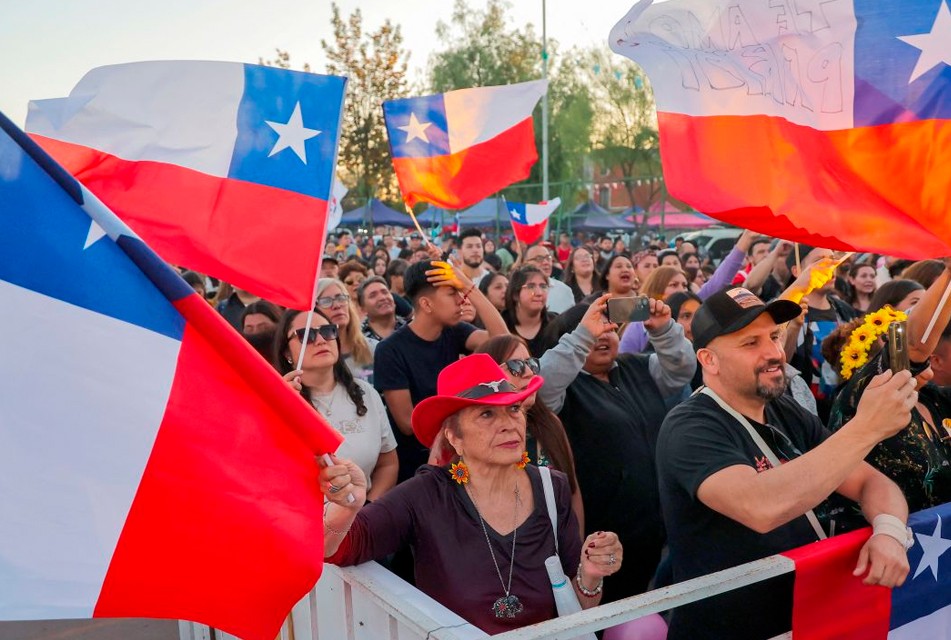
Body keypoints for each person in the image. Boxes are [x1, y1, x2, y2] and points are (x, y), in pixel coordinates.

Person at [657, 287, 913, 640]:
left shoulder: (783, 409)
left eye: (774, 336)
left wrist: (889, 533)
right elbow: (761, 506)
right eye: (751, 343)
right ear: (709, 360)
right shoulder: (690, 427)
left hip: (809, 617)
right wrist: (866, 427)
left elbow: (872, 483)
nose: (774, 352)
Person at [321, 355, 623, 634]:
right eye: (487, 414)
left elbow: (574, 612)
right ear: (454, 437)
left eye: (514, 409)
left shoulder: (551, 487)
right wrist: (349, 504)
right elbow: (335, 549)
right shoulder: (425, 495)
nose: (508, 424)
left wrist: (592, 575)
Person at [540, 295, 697, 601]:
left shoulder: (637, 367)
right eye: (593, 331)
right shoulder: (564, 389)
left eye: (610, 329)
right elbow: (542, 384)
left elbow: (681, 370)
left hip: (654, 526)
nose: (603, 337)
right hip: (603, 534)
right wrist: (584, 334)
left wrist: (664, 330)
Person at [829, 261, 951, 514]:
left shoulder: (935, 399)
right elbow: (916, 344)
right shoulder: (863, 394)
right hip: (892, 546)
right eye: (916, 305)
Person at [374, 258, 508, 482]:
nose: (461, 299)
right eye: (452, 293)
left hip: (460, 456)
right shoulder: (390, 350)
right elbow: (408, 423)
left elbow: (503, 340)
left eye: (460, 292)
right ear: (426, 304)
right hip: (418, 468)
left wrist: (469, 286)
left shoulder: (453, 331)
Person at [275, 309, 398, 499]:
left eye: (328, 331)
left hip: (365, 519)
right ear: (287, 353)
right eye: (306, 335)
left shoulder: (366, 394)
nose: (321, 340)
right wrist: (279, 410)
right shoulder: (279, 403)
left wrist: (368, 509)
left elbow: (388, 464)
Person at [786, 247, 859, 420]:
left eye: (832, 260)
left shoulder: (845, 311)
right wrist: (794, 327)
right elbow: (780, 363)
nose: (830, 266)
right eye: (820, 261)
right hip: (802, 414)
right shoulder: (784, 310)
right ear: (797, 270)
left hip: (843, 412)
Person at [315, 278, 375, 382]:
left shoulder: (375, 349)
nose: (337, 306)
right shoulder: (313, 359)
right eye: (326, 301)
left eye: (341, 298)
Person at [503, 266, 557, 359]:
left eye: (543, 286)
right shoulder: (502, 322)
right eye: (531, 286)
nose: (539, 293)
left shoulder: (556, 323)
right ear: (515, 294)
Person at [523, 244, 574, 313]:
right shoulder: (519, 289)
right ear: (526, 263)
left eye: (548, 258)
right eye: (539, 259)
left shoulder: (564, 290)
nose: (546, 262)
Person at [358, 276, 407, 343]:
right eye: (373, 295)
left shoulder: (411, 328)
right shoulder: (358, 338)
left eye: (385, 292)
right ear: (363, 309)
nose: (382, 298)